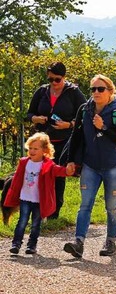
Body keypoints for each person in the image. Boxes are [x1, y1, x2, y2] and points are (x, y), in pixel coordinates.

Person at [63, 74, 116, 258]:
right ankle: (79, 242)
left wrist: (103, 127)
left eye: (101, 89)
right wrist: (70, 160)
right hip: (90, 165)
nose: (96, 93)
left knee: (112, 207)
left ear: (110, 91)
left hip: (113, 166)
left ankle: (111, 241)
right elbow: (76, 137)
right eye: (93, 89)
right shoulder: (84, 110)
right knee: (85, 205)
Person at [26, 61, 86, 219]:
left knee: (58, 175)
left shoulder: (73, 92)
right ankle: (38, 209)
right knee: (38, 174)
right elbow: (29, 114)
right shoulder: (42, 92)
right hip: (43, 142)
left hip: (64, 141)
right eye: (50, 79)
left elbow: (86, 114)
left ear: (64, 77)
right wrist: (36, 118)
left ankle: (54, 212)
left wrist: (69, 124)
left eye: (57, 79)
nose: (54, 83)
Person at [5, 133, 75, 254]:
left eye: (36, 149)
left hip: (39, 200)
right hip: (25, 198)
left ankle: (31, 246)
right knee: (22, 222)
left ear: (44, 150)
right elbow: (17, 180)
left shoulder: (48, 165)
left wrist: (68, 171)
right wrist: (13, 194)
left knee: (35, 224)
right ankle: (16, 244)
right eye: (30, 148)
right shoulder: (24, 162)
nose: (32, 151)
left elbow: (59, 171)